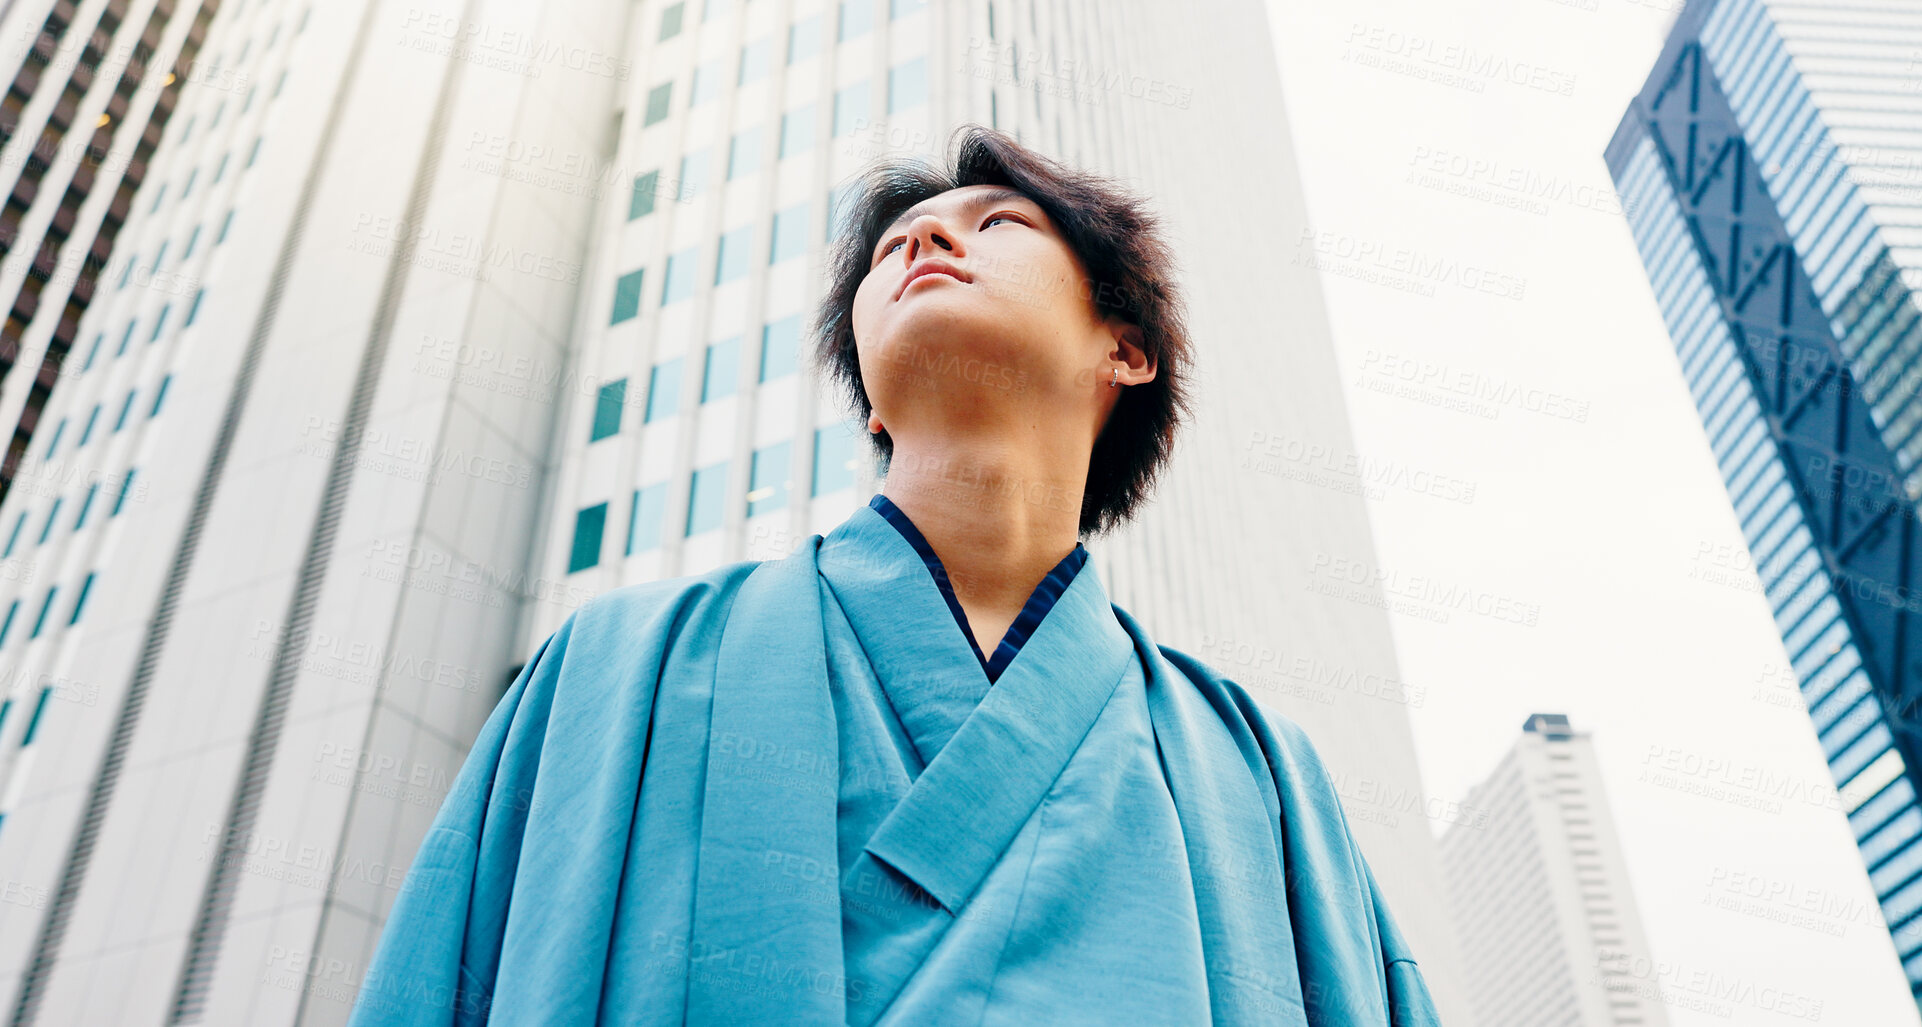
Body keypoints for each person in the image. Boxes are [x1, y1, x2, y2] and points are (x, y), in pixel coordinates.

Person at [348, 126, 1441, 1026]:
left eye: (997, 222)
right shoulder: (612, 670)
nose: (926, 241)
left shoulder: (1263, 776)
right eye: (894, 247)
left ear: (1128, 348)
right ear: (869, 396)